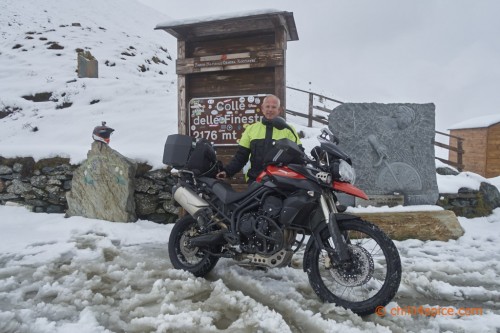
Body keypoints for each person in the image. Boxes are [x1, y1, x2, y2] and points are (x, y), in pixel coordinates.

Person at [216, 94, 302, 183]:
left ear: (279, 110)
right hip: (255, 180)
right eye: (267, 106)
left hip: (280, 181)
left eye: (274, 107)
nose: (270, 110)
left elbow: (298, 155)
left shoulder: (288, 129)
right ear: (262, 108)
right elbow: (241, 156)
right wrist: (227, 171)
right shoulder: (251, 129)